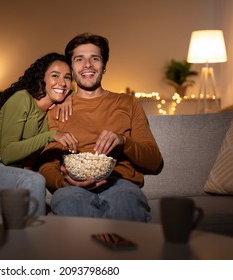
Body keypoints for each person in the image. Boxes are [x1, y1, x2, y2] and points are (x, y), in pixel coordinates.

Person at [38, 33, 163, 221]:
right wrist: (62, 183)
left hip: (121, 184)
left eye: (95, 59)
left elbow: (154, 161)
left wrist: (123, 141)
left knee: (127, 213)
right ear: (71, 68)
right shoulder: (57, 108)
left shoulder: (128, 103)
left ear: (103, 66)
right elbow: (47, 164)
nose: (87, 65)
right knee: (72, 212)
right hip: (73, 187)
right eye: (79, 59)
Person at [0, 52, 78, 215]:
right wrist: (52, 135)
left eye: (68, 78)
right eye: (55, 75)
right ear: (42, 78)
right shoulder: (22, 99)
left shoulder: (50, 113)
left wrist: (70, 97)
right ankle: (40, 237)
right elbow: (8, 154)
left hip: (13, 176)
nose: (62, 83)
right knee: (34, 179)